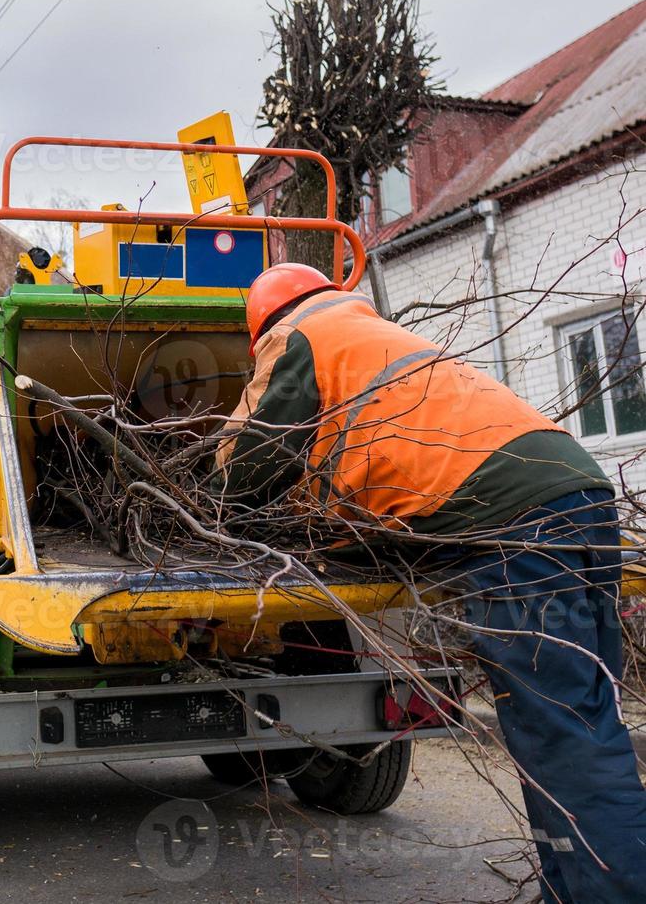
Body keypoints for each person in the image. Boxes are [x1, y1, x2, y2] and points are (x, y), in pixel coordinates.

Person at [215, 262, 646, 902]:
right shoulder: (379, 337)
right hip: (579, 497)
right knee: (575, 721)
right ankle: (572, 890)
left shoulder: (302, 333)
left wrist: (211, 495)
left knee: (565, 734)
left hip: (514, 524)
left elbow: (253, 459)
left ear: (264, 327)